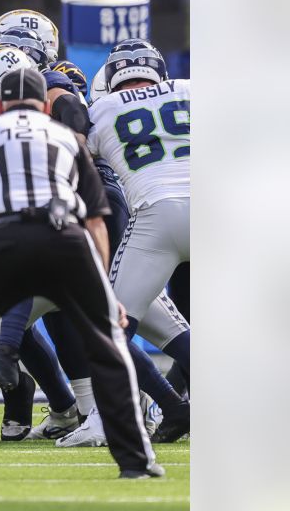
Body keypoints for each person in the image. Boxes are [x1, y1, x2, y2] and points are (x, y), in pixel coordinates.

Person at [0, 66, 159, 480]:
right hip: (66, 238)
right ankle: (136, 462)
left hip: (3, 240)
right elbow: (94, 222)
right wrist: (104, 290)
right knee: (109, 351)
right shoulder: (69, 140)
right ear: (44, 103)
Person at [82, 40, 191, 444]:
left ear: (111, 78)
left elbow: (72, 152)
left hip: (156, 217)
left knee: (108, 327)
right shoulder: (193, 89)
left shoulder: (101, 110)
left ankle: (109, 418)